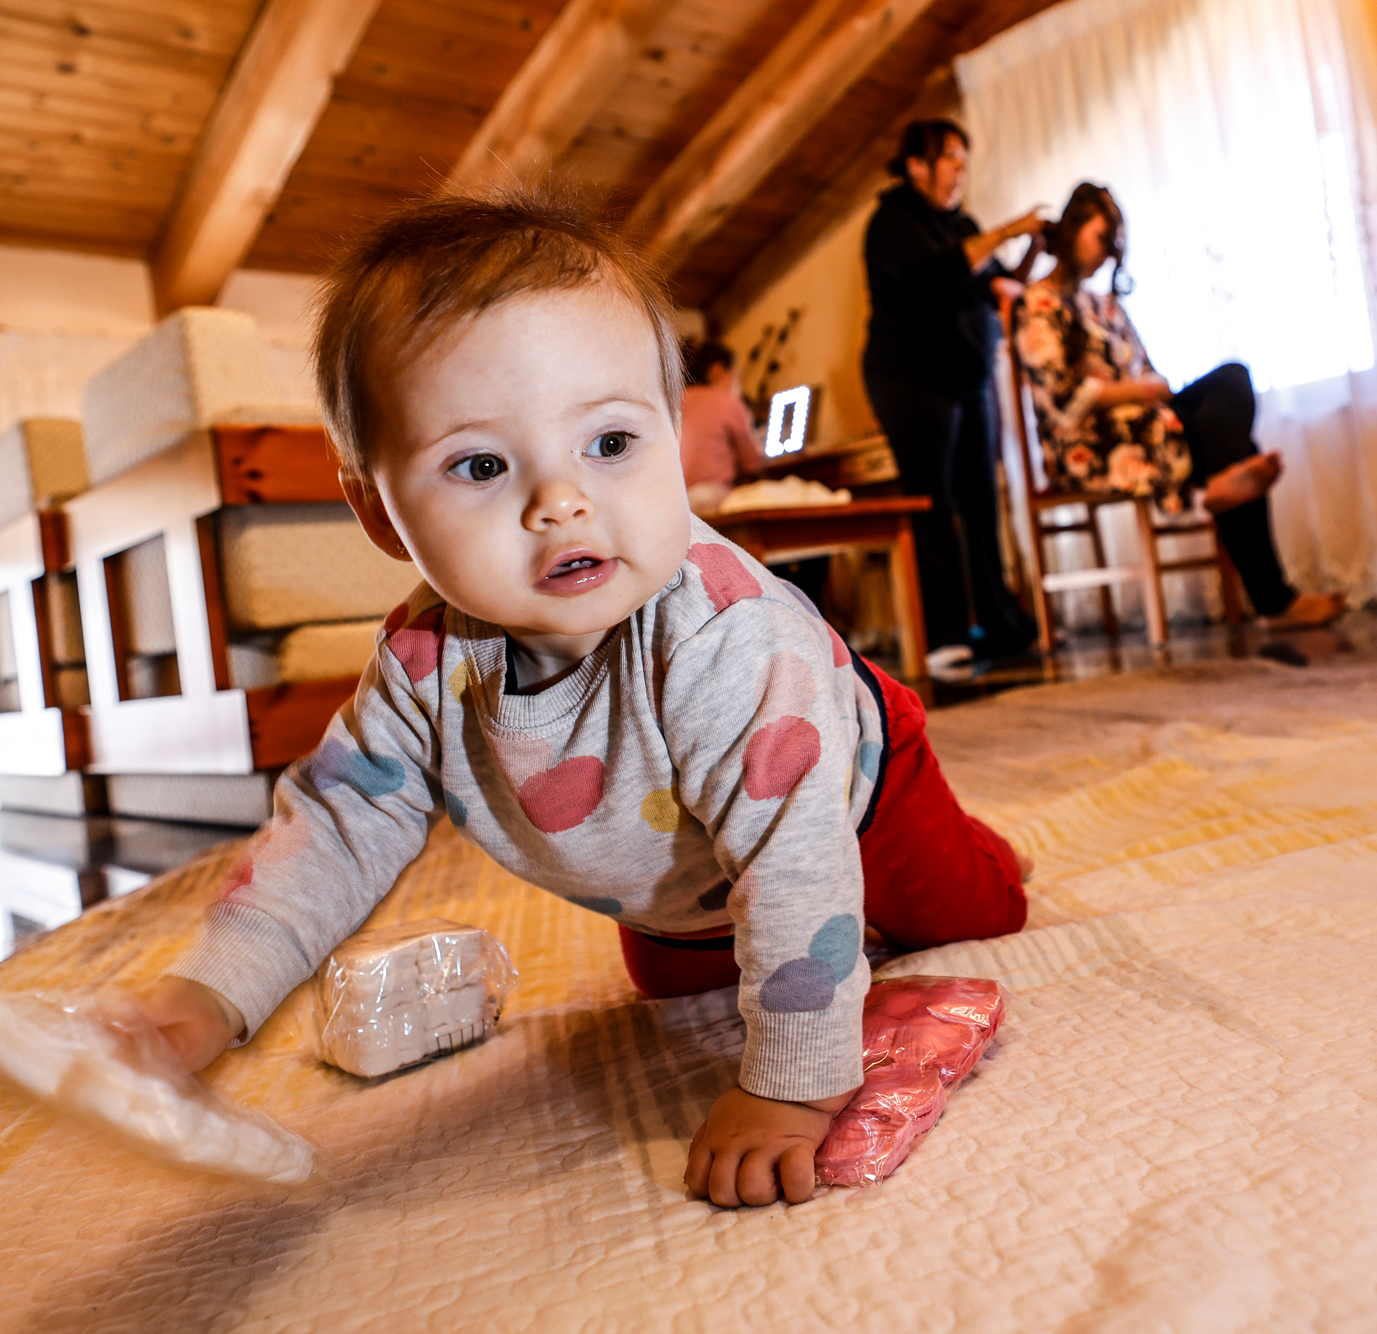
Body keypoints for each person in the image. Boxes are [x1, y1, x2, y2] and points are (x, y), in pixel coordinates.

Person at [132, 190, 1030, 1209]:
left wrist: (794, 1087)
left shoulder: (726, 636)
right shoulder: (424, 666)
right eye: (478, 464)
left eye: (609, 444)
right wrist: (208, 992)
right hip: (666, 874)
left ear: (670, 432)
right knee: (676, 993)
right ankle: (753, 937)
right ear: (375, 511)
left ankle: (986, 849)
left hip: (853, 800)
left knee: (971, 913)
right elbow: (336, 829)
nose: (558, 501)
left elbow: (794, 855)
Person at [1011, 183, 1347, 630]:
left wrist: (1119, 384)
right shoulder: (1040, 303)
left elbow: (1149, 375)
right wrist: (1130, 389)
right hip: (1092, 443)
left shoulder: (1105, 306)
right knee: (1237, 446)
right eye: (1100, 238)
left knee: (1233, 377)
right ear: (1071, 233)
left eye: (1114, 243)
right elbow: (1064, 399)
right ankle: (1273, 597)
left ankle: (1229, 485)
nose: (1107, 253)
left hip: (1147, 417)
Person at [862, 119, 1044, 669]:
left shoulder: (960, 221)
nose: (962, 173)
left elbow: (996, 283)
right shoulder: (891, 221)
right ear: (917, 164)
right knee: (934, 501)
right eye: (951, 160)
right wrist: (1009, 229)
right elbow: (934, 271)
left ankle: (995, 621)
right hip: (909, 377)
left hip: (967, 378)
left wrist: (1030, 250)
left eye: (966, 162)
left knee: (982, 501)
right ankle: (943, 633)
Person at [678, 341, 764, 514]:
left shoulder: (674, 402)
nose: (737, 384)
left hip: (676, 503)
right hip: (711, 500)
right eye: (736, 375)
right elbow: (753, 463)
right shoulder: (726, 402)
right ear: (718, 369)